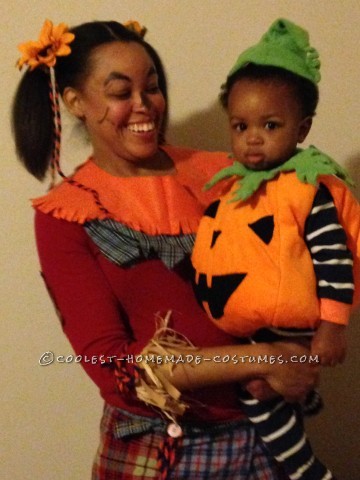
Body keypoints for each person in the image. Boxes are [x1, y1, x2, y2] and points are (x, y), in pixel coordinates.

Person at [12, 19, 320, 480]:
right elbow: (112, 364)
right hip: (157, 449)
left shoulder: (225, 173)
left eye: (152, 86)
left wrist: (301, 347)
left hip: (268, 434)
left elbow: (298, 265)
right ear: (75, 101)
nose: (144, 104)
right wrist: (262, 359)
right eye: (120, 91)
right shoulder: (66, 215)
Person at [192, 17, 360, 480]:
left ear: (302, 129)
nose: (252, 138)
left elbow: (334, 259)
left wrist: (332, 327)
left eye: (270, 124)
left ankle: (307, 470)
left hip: (293, 322)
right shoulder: (234, 190)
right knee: (264, 387)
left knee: (255, 395)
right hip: (256, 331)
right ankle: (305, 396)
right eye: (240, 125)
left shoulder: (307, 187)